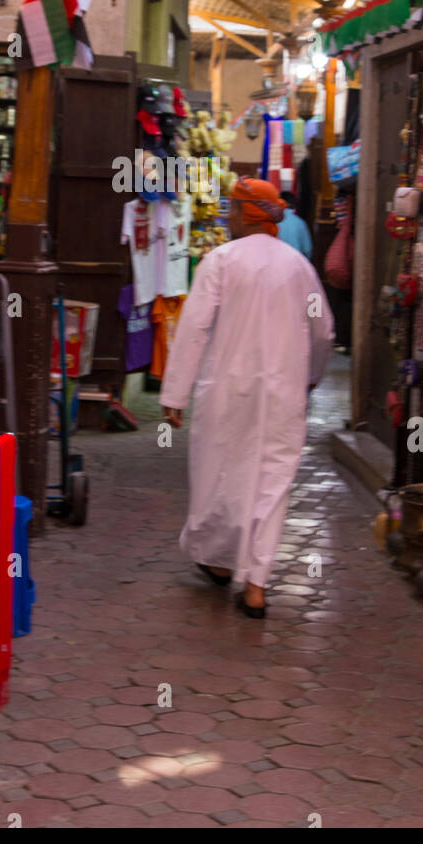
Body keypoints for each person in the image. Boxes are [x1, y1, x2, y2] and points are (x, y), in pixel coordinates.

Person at [160, 177, 334, 618]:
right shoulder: (300, 268)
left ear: (243, 213)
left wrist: (175, 393)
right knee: (272, 483)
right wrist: (310, 377)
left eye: (231, 209)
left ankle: (218, 560)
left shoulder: (220, 262)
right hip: (283, 394)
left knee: (221, 473)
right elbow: (323, 331)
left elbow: (195, 327)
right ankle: (255, 586)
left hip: (226, 390)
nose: (227, 216)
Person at [277, 189, 312, 260]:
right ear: (294, 205)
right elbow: (307, 249)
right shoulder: (300, 222)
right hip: (296, 263)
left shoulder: (272, 221)